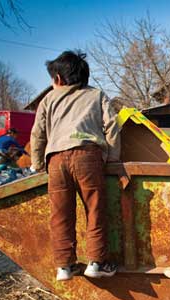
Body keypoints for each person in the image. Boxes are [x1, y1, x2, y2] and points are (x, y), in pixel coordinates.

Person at [30, 50, 121, 282]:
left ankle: (64, 266)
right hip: (88, 156)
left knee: (60, 215)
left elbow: (38, 134)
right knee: (95, 210)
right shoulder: (97, 95)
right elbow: (111, 127)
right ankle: (96, 262)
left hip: (56, 160)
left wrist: (37, 164)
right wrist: (111, 158)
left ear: (58, 79)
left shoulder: (48, 99)